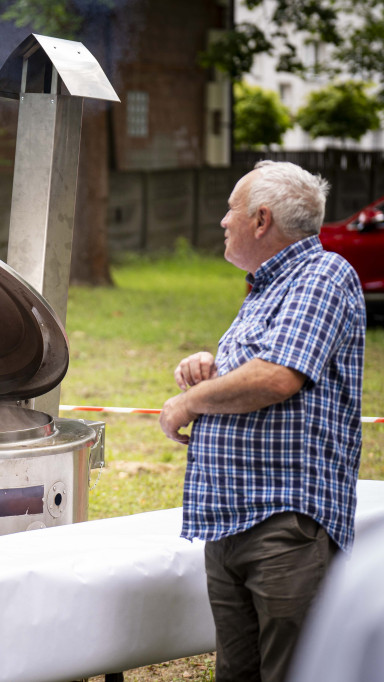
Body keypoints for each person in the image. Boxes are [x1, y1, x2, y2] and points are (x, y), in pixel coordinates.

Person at [159, 160, 365, 682]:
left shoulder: (323, 274)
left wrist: (190, 402)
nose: (223, 221)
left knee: (293, 672)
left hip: (283, 523)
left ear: (261, 219)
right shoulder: (267, 288)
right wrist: (209, 368)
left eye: (231, 210)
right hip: (232, 519)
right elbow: (259, 365)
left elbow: (277, 377)